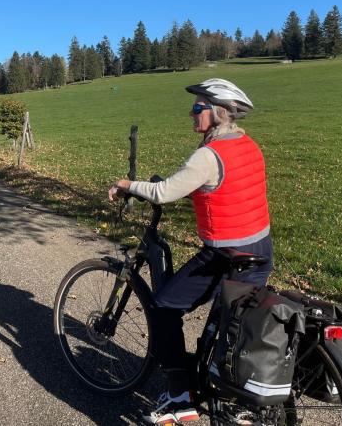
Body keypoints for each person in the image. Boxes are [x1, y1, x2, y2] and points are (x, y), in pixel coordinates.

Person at [108, 78, 273, 425]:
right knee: (228, 329)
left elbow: (165, 192)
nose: (191, 112)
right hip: (259, 252)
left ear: (217, 113)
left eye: (198, 107)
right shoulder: (248, 145)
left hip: (225, 255)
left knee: (164, 306)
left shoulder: (209, 155)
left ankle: (180, 399)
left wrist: (127, 185)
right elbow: (225, 188)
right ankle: (221, 392)